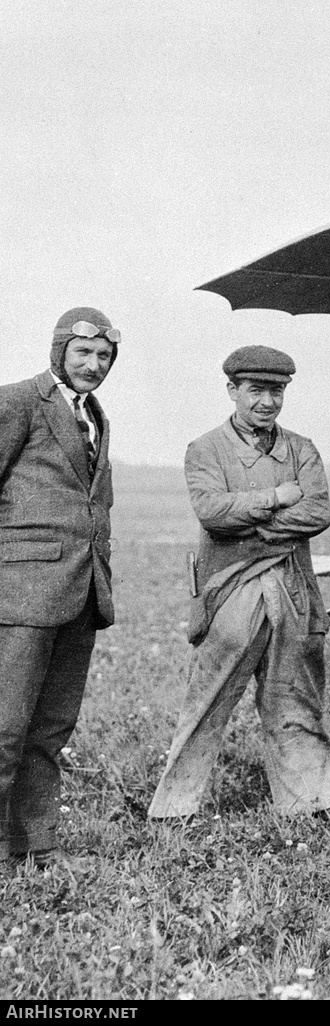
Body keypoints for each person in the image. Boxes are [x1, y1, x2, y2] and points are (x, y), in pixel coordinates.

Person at [148, 346, 330, 819]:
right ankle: (174, 810)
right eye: (256, 390)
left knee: (295, 696)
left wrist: (252, 527)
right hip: (228, 589)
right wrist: (276, 497)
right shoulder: (206, 449)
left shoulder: (302, 448)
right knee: (208, 697)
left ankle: (308, 807)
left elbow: (317, 512)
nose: (267, 402)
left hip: (292, 588)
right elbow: (211, 513)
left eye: (277, 391)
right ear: (233, 391)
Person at [0, 307, 118, 866]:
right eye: (82, 353)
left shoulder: (94, 415)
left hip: (81, 594)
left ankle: (34, 846)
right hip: (20, 592)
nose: (93, 365)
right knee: (4, 727)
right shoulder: (19, 400)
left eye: (103, 356)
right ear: (58, 353)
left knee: (49, 730)